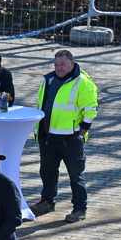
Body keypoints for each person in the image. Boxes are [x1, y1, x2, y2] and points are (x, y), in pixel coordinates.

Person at [30, 49, 99, 223]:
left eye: (62, 64)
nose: (59, 68)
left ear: (72, 63)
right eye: (56, 64)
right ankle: (47, 201)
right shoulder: (49, 80)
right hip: (48, 138)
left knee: (76, 175)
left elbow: (90, 110)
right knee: (47, 172)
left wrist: (81, 134)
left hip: (71, 139)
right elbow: (41, 105)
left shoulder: (83, 82)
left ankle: (79, 208)